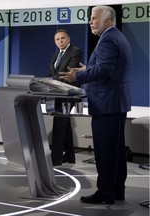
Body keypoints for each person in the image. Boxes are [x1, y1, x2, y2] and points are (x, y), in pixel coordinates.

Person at [59, 6, 132, 204]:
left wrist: (79, 75)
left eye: (94, 18)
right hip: (115, 101)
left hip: (106, 102)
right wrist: (89, 69)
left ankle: (105, 192)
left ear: (107, 21)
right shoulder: (118, 37)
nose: (90, 22)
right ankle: (117, 190)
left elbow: (105, 70)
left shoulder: (108, 39)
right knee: (115, 150)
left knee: (105, 150)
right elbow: (107, 68)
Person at [49, 29, 83, 166]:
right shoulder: (55, 55)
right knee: (65, 125)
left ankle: (54, 159)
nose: (60, 41)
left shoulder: (75, 51)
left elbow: (68, 73)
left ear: (68, 39)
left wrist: (51, 81)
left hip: (69, 94)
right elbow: (53, 74)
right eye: (57, 39)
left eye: (63, 38)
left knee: (59, 125)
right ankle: (70, 156)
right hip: (58, 94)